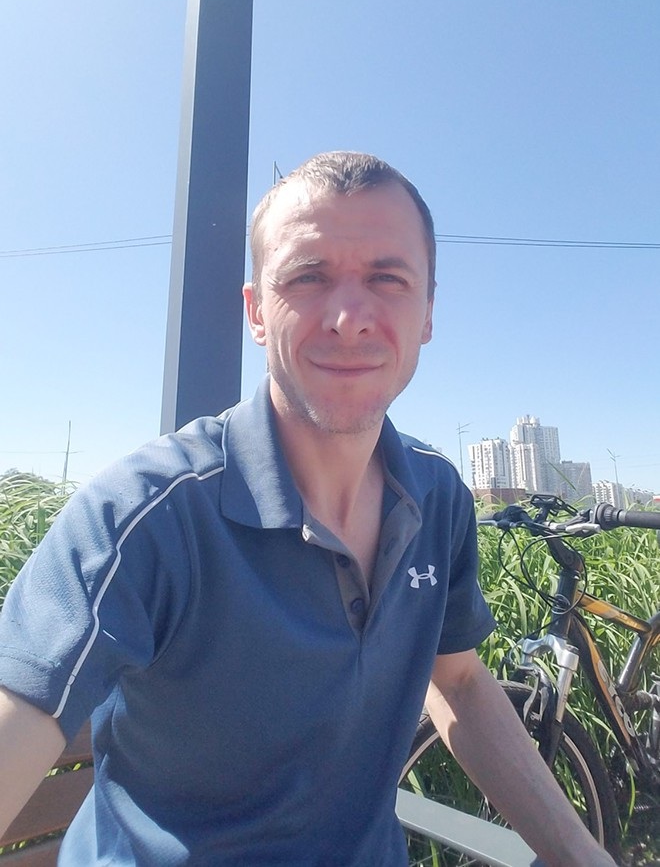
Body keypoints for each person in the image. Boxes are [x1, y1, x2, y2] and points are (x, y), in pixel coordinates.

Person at [0, 151, 616, 866]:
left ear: (427, 313)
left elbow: (459, 681)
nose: (350, 319)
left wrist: (582, 854)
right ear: (257, 312)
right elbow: (24, 708)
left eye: (388, 279)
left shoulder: (437, 495)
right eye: (307, 278)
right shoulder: (146, 515)